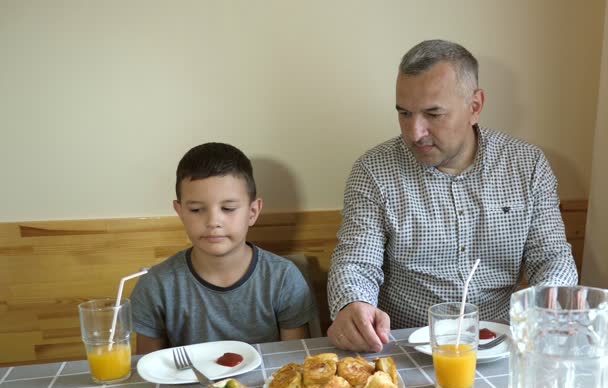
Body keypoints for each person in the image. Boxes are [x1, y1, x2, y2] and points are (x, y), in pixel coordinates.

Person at [327, 39, 578, 352]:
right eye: (404, 113)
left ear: (474, 107)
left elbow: (552, 255)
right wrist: (353, 303)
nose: (414, 132)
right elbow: (356, 262)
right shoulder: (374, 171)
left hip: (502, 341)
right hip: (406, 347)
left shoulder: (526, 165)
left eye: (433, 114)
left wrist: (550, 305)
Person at [132, 142, 318, 354]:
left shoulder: (283, 278)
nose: (213, 221)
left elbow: (293, 366)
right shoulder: (156, 285)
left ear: (253, 212)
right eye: (196, 209)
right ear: (180, 211)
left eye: (228, 208)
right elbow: (148, 372)